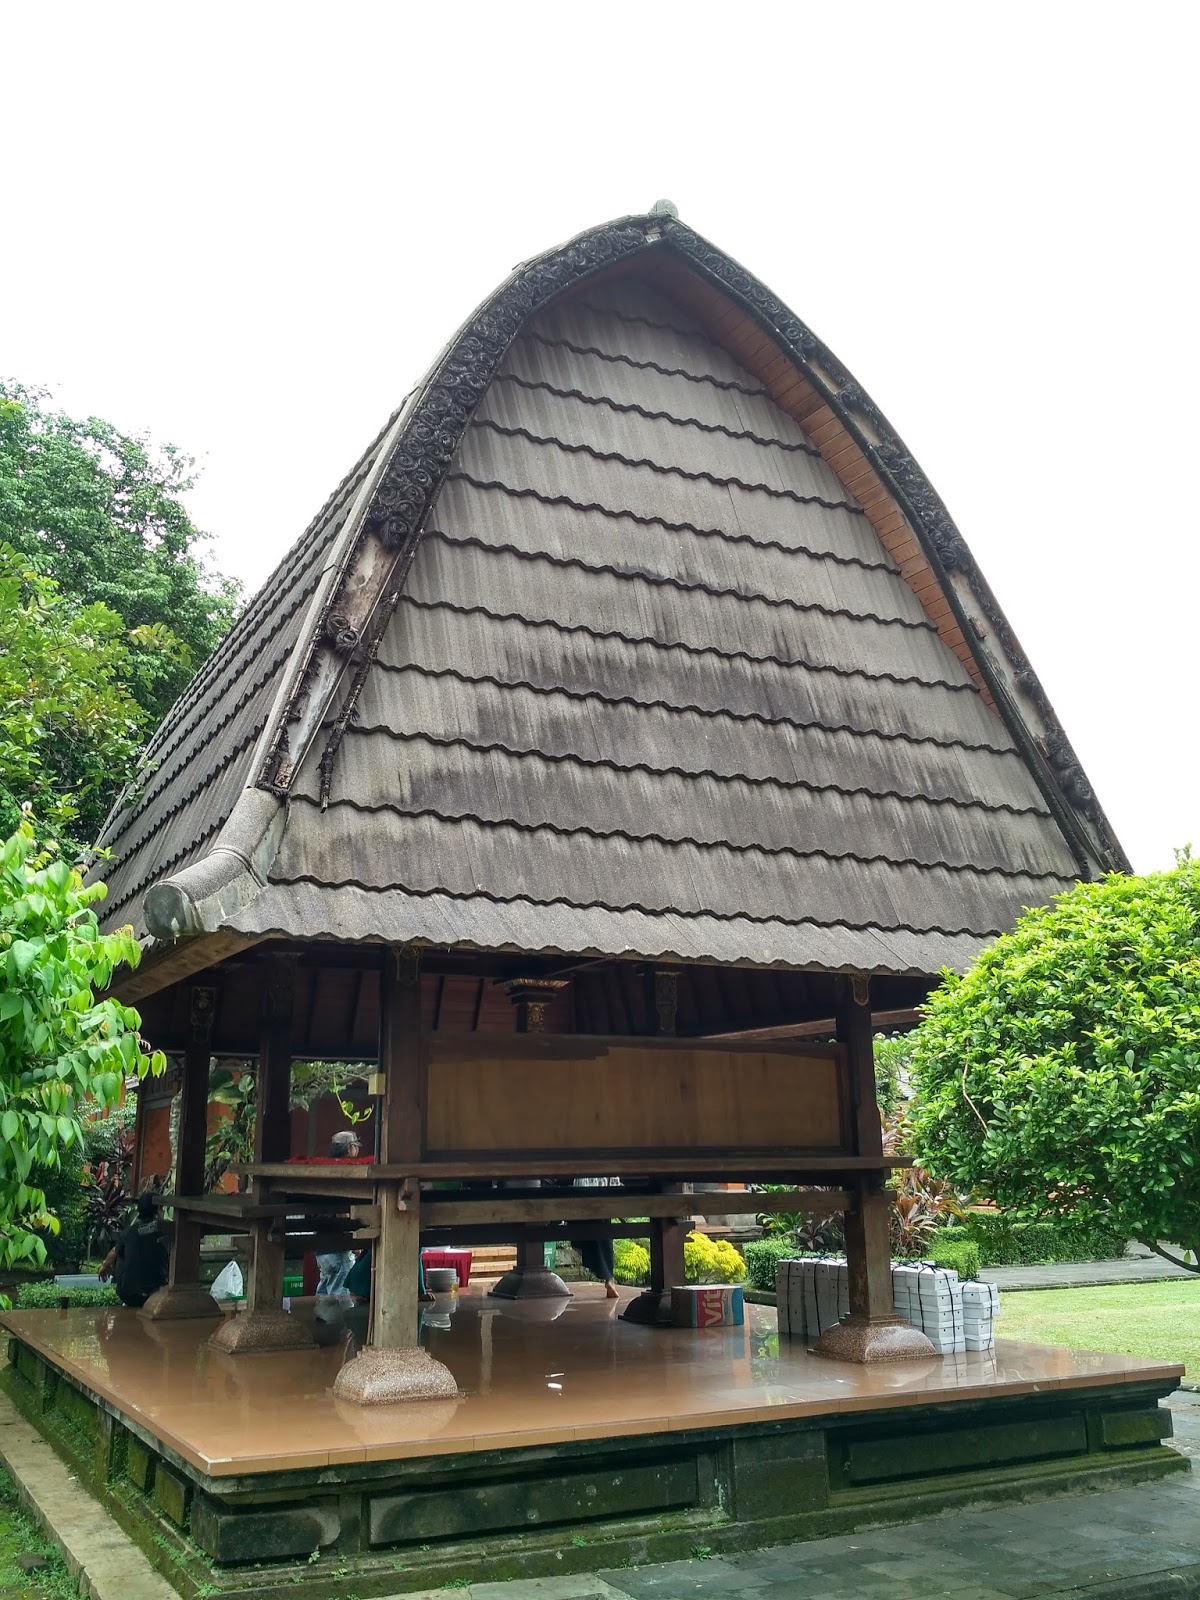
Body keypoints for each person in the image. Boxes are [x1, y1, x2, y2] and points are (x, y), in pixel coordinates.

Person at [99, 1192, 169, 1308]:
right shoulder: (165, 1229)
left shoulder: (130, 1232)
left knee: (121, 1251)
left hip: (128, 1295)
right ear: (158, 1209)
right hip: (154, 1295)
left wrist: (104, 1266)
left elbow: (113, 1252)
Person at [316, 1129, 363, 1295]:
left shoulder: (324, 1170)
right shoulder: (347, 1172)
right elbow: (344, 1212)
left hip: (321, 1245)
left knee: (325, 1286)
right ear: (350, 1149)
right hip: (338, 1245)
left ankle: (322, 1317)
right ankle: (336, 1321)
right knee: (340, 1294)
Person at [574, 1177, 620, 1298]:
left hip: (578, 1193)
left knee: (596, 1225)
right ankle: (609, 1278)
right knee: (602, 1223)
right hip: (602, 1192)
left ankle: (608, 1277)